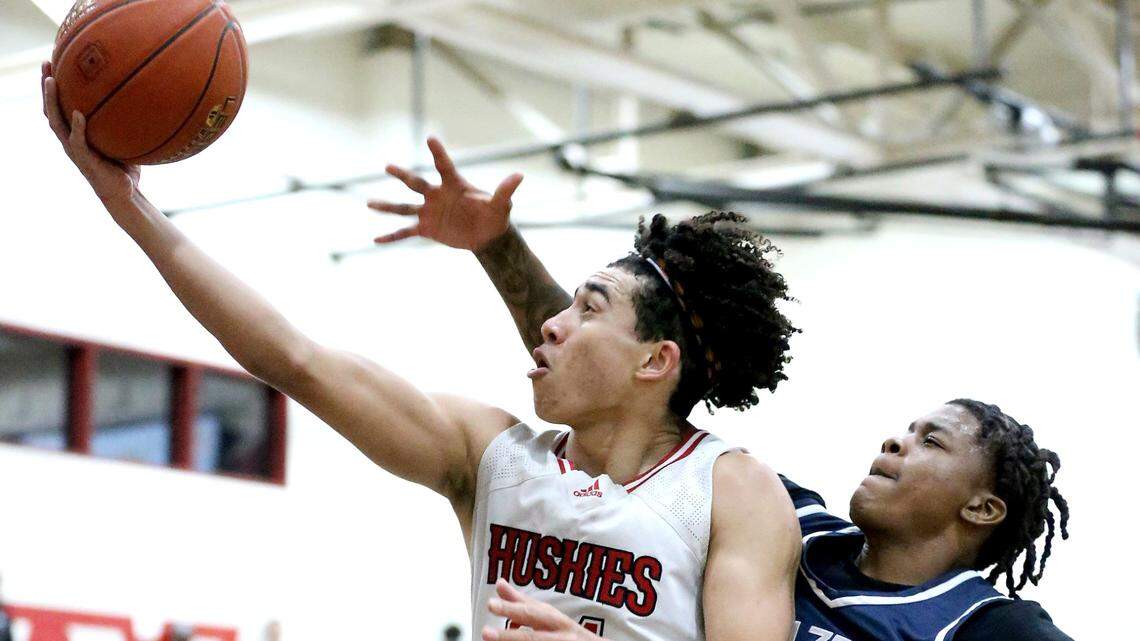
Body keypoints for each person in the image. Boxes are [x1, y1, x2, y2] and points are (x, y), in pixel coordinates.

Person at [42, 63, 801, 641]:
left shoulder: (732, 491)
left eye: (588, 307)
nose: (552, 324)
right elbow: (292, 359)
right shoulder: (490, 454)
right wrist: (129, 206)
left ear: (655, 362)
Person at [372, 163, 1074, 641]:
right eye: (908, 429)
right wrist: (497, 247)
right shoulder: (790, 523)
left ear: (982, 507)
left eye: (932, 441)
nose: (895, 441)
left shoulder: (991, 625)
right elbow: (612, 371)